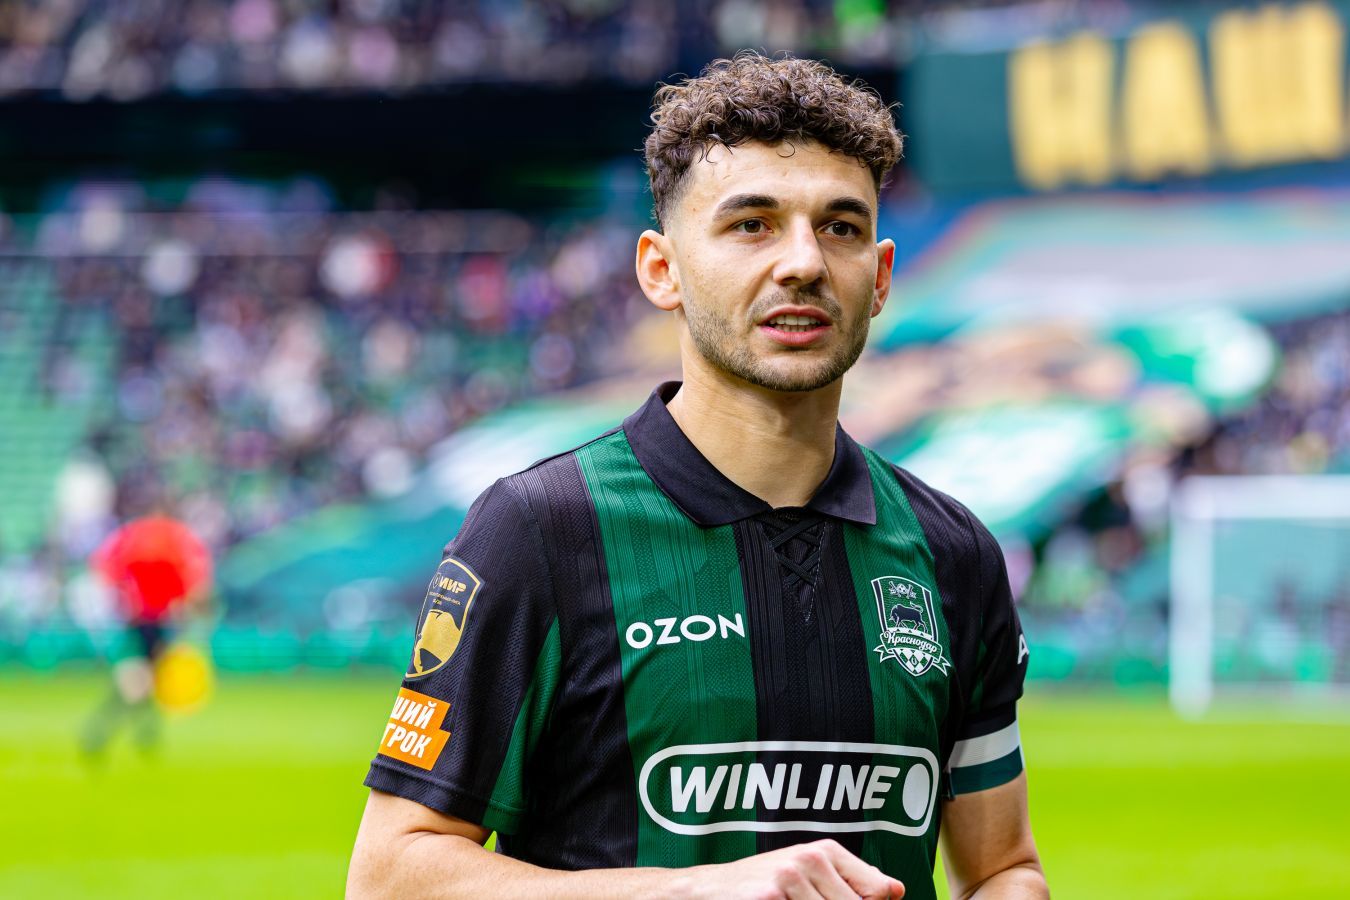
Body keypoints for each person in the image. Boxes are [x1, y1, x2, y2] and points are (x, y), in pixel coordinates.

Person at [348, 53, 1046, 899]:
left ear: (882, 276)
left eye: (841, 227)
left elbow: (1002, 868)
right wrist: (697, 890)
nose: (803, 263)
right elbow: (389, 877)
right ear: (662, 269)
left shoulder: (953, 552)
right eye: (752, 224)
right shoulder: (540, 530)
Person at [81, 511, 212, 756]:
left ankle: (138, 735)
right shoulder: (166, 562)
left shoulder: (140, 563)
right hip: (149, 628)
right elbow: (186, 599)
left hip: (145, 626)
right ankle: (109, 733)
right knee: (139, 686)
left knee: (141, 686)